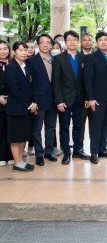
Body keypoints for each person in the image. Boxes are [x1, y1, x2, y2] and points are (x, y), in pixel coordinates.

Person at [52, 30, 90, 165]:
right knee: (64, 127)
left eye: (74, 39)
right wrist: (59, 100)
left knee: (79, 126)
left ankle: (78, 150)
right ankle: (66, 152)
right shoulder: (58, 59)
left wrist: (87, 97)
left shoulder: (83, 57)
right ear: (65, 42)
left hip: (80, 99)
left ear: (77, 41)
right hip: (64, 100)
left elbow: (86, 80)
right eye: (69, 40)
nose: (72, 42)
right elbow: (56, 82)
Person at [84, 31, 107, 164]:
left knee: (106, 125)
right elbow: (88, 80)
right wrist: (91, 98)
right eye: (100, 40)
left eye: (105, 39)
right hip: (97, 99)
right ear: (97, 43)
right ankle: (94, 152)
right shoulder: (91, 58)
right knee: (96, 126)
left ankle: (103, 149)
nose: (103, 42)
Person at [5, 42, 37, 172]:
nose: (24, 52)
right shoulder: (11, 67)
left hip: (27, 108)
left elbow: (31, 86)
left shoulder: (26, 66)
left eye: (25, 50)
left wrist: (34, 102)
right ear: (14, 52)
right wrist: (29, 104)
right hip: (16, 108)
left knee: (23, 136)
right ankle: (17, 163)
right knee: (15, 137)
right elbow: (15, 90)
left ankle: (21, 161)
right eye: (20, 50)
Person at [27, 34, 58, 166]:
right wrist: (33, 101)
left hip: (53, 100)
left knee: (51, 128)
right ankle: (39, 154)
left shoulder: (56, 60)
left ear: (51, 45)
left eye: (48, 42)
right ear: (38, 45)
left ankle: (49, 151)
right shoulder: (31, 61)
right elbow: (29, 84)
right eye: (42, 42)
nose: (45, 45)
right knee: (37, 129)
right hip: (38, 101)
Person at [0, 40, 12, 166]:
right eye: (0, 49)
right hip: (0, 102)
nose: (3, 51)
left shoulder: (13, 64)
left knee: (11, 130)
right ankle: (1, 156)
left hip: (12, 102)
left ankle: (10, 155)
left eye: (5, 48)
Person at [80, 33, 94, 143]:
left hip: (95, 98)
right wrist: (86, 97)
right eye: (84, 40)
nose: (87, 42)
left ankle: (95, 149)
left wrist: (91, 97)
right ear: (81, 42)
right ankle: (79, 148)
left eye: (89, 40)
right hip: (81, 98)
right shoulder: (77, 57)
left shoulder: (97, 56)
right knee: (80, 124)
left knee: (94, 124)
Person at [24, 39, 36, 156]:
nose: (30, 49)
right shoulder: (19, 62)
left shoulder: (35, 61)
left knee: (34, 123)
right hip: (22, 98)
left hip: (34, 97)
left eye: (32, 47)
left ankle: (31, 146)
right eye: (27, 47)